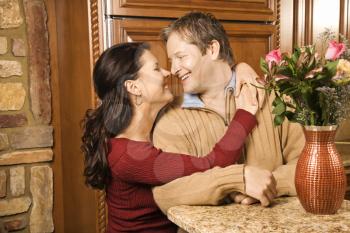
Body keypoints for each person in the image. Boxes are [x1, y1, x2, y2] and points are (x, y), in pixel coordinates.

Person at [81, 42, 264, 232]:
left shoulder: (157, 125)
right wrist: (245, 113)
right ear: (134, 87)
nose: (168, 73)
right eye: (156, 68)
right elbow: (214, 162)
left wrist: (241, 68)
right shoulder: (129, 157)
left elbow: (213, 79)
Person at [151, 11, 305, 213]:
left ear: (212, 49)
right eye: (172, 60)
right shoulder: (171, 119)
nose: (173, 68)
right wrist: (236, 181)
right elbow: (166, 192)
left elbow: (310, 166)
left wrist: (269, 184)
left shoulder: (275, 99)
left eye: (181, 57)